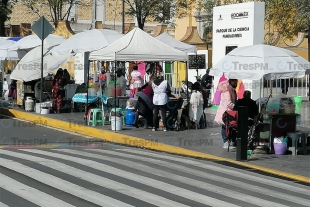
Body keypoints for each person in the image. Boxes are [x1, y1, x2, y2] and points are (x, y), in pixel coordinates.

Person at [214, 79, 238, 148]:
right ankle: (225, 142)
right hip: (225, 112)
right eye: (234, 81)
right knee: (225, 127)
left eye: (236, 81)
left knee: (229, 126)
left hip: (229, 112)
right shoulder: (227, 90)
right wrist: (235, 107)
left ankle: (229, 142)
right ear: (231, 81)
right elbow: (228, 103)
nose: (236, 83)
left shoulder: (232, 90)